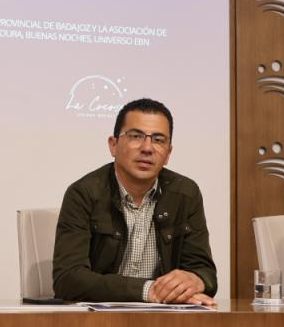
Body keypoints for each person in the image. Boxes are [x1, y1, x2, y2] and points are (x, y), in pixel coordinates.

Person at [52, 98, 217, 305]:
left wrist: (195, 281)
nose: (147, 148)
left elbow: (205, 271)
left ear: (168, 153)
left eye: (158, 140)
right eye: (136, 136)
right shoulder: (84, 193)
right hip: (97, 318)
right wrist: (148, 291)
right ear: (113, 145)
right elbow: (68, 279)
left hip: (164, 318)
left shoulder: (185, 194)